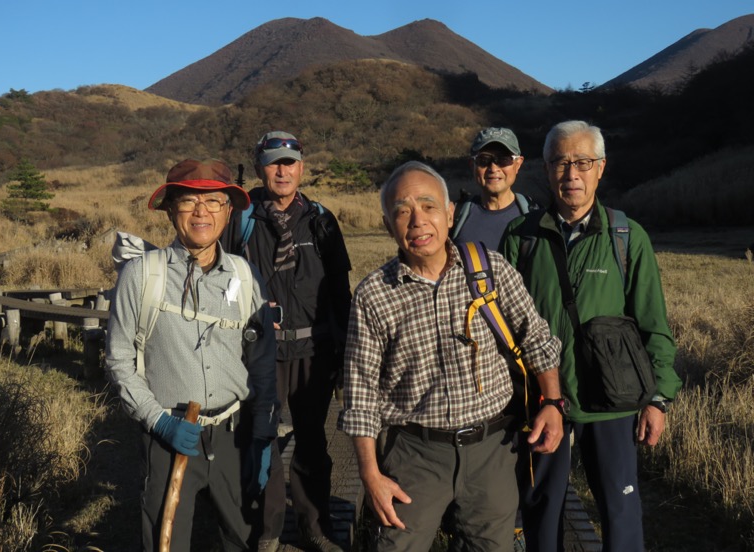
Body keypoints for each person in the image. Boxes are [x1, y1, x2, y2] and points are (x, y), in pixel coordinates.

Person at [339, 160, 565, 551]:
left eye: (428, 206)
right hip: (414, 455)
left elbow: (537, 338)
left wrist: (553, 402)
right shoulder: (374, 294)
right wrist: (370, 474)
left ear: (449, 213)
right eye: (402, 210)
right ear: (387, 224)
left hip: (491, 450)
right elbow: (360, 396)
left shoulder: (489, 270)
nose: (416, 221)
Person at [501, 121, 683, 552]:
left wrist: (658, 398)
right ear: (546, 170)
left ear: (601, 168)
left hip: (613, 401)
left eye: (582, 162)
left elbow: (653, 324)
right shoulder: (521, 237)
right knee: (542, 509)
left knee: (621, 513)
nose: (571, 174)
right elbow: (502, 329)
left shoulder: (626, 237)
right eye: (561, 162)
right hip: (543, 400)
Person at [105, 158, 278, 552]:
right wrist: (160, 423)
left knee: (242, 538)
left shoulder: (244, 276)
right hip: (169, 437)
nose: (202, 212)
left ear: (228, 211)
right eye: (188, 201)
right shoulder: (142, 276)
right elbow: (119, 361)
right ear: (170, 210)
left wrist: (263, 428)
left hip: (233, 436)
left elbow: (262, 357)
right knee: (165, 543)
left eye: (214, 201)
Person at [222, 131, 352, 552]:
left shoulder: (321, 220)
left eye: (290, 162)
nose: (282, 170)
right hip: (260, 350)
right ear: (260, 167)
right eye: (274, 162)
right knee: (261, 439)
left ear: (302, 167)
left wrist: (346, 351)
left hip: (314, 352)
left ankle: (315, 527)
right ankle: (268, 529)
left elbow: (339, 290)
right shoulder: (240, 220)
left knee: (313, 441)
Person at [451, 126, 537, 249]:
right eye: (484, 160)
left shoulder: (536, 216)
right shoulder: (455, 216)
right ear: (472, 165)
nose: (493, 168)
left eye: (504, 160)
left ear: (518, 164)